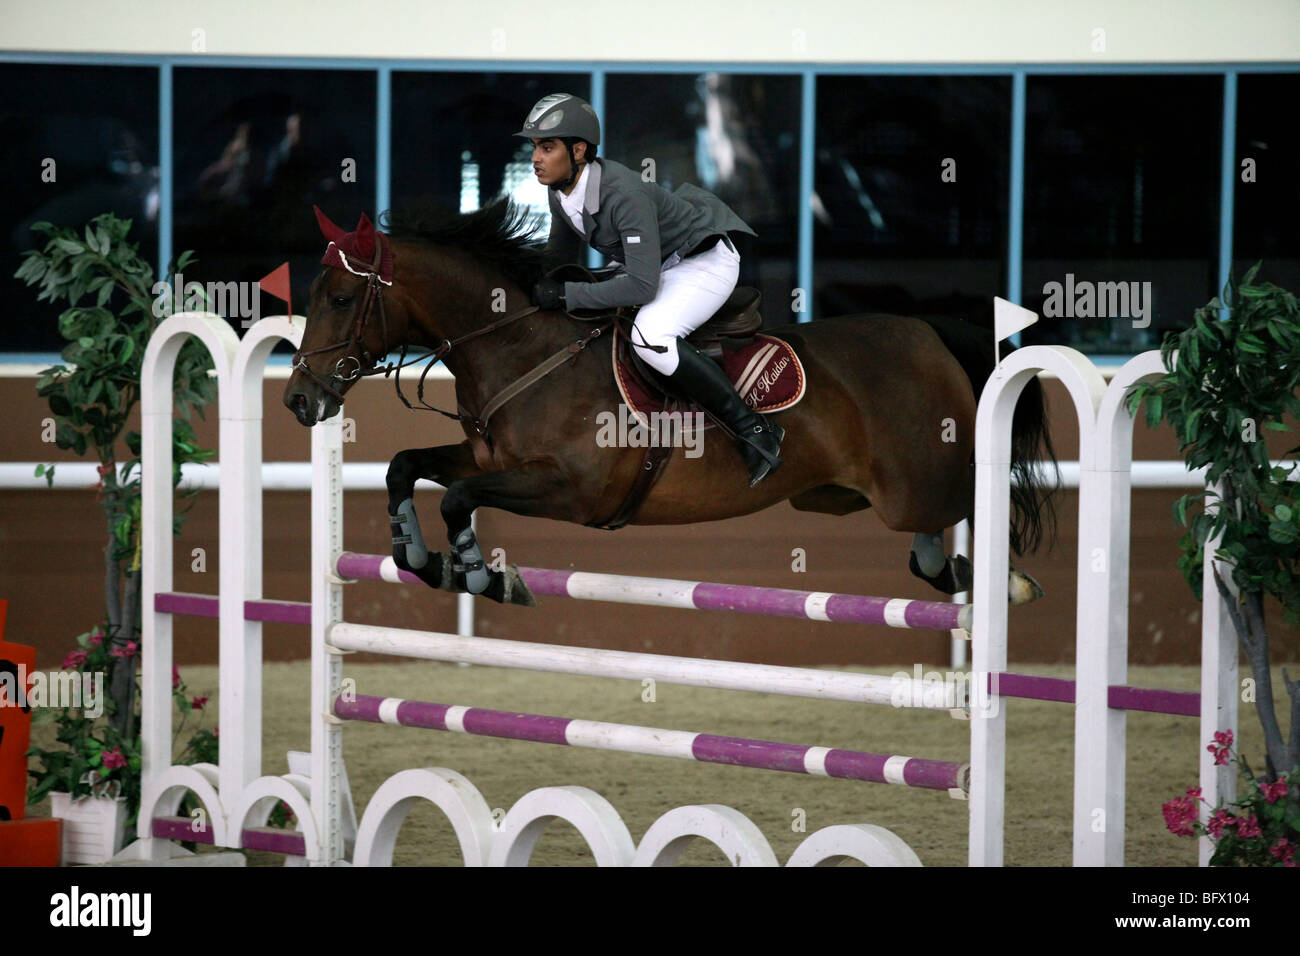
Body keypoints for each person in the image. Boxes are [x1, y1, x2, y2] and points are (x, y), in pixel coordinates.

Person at [516, 93, 784, 487]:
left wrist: (565, 296)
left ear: (579, 150)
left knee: (649, 336)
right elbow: (556, 261)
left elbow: (642, 286)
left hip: (704, 261)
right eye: (535, 147)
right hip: (662, 262)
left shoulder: (623, 193)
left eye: (547, 147)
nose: (535, 157)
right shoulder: (560, 192)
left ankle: (754, 430)